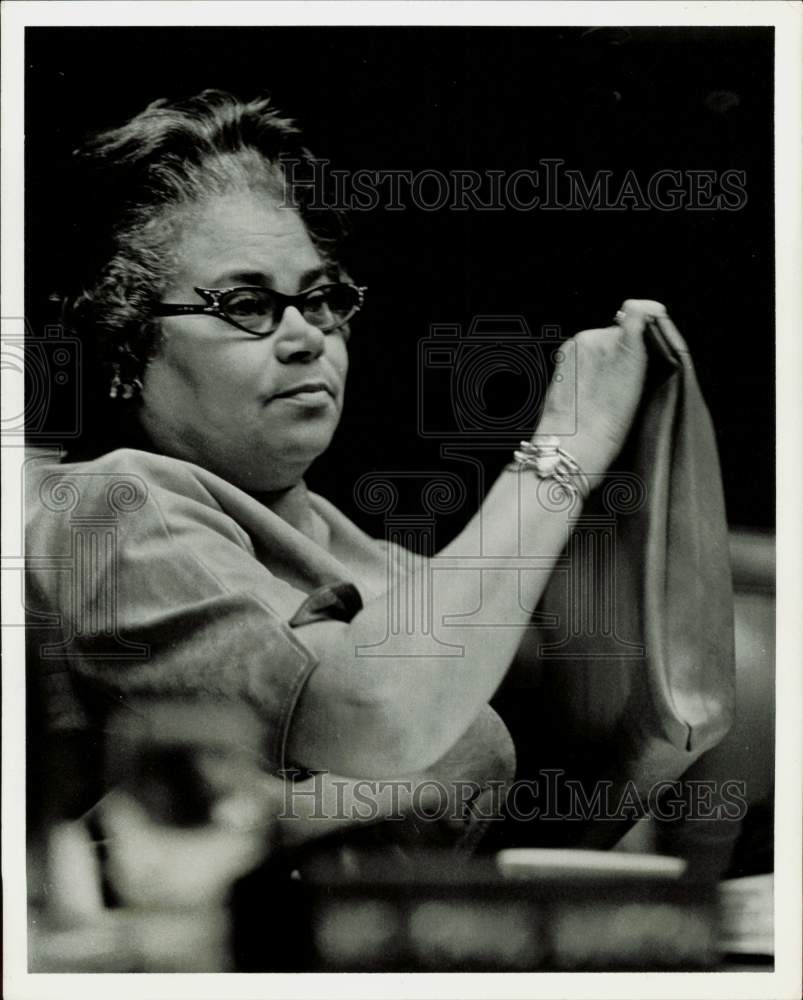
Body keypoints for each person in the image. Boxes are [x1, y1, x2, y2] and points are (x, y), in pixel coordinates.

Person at [25, 90, 662, 882]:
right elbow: (377, 713)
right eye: (247, 305)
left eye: (322, 297)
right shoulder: (110, 508)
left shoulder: (385, 569)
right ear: (127, 348)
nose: (304, 337)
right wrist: (563, 450)